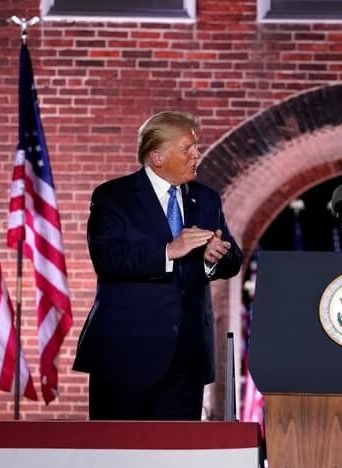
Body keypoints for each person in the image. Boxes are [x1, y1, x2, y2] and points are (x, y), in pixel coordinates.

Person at [73, 111, 243, 420]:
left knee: (175, 460)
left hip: (187, 360)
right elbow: (108, 259)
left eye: (196, 147)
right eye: (187, 149)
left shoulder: (206, 199)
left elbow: (233, 259)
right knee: (119, 456)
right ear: (157, 157)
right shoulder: (113, 196)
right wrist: (169, 250)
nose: (196, 155)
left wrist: (214, 259)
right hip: (126, 356)